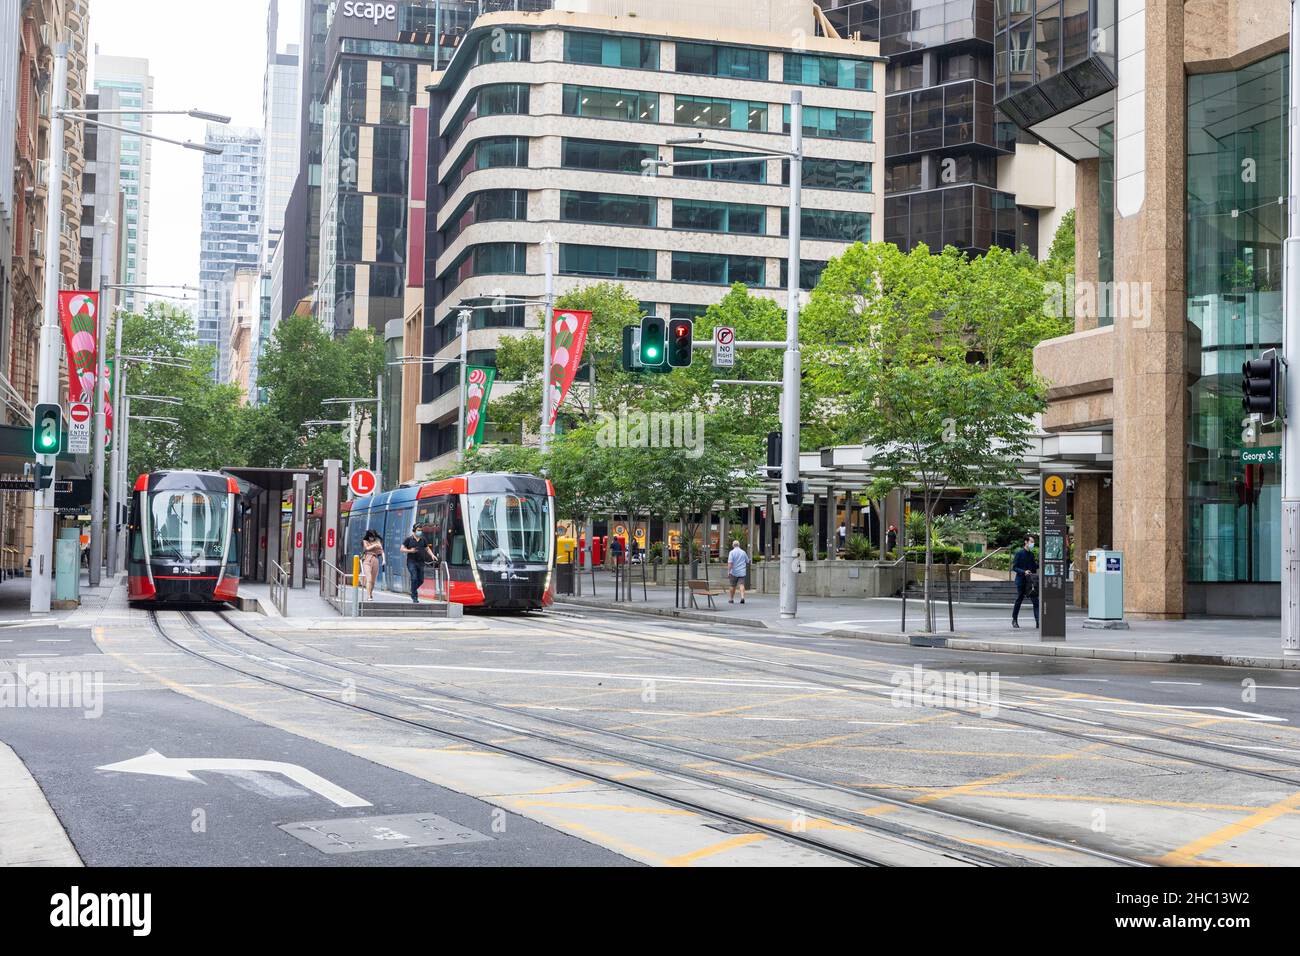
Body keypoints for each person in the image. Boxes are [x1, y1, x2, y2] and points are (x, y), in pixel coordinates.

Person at [401, 523, 434, 604]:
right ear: (414, 531)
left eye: (421, 530)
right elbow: (401, 549)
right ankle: (414, 596)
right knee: (414, 577)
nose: (420, 532)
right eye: (418, 530)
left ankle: (412, 590)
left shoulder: (423, 539)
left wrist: (432, 555)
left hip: (421, 562)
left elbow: (427, 548)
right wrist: (410, 551)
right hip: (411, 562)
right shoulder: (408, 539)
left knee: (421, 580)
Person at [1011, 534, 1040, 629]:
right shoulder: (1019, 553)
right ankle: (1014, 620)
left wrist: (1041, 563)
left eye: (1033, 542)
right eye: (1031, 541)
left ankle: (1038, 621)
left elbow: (1034, 568)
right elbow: (1014, 567)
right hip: (1021, 581)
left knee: (1036, 601)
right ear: (1026, 542)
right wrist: (1024, 572)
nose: (1033, 543)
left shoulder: (1031, 555)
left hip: (1030, 582)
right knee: (1019, 600)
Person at [361, 529, 384, 600]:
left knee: (373, 581)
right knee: (369, 579)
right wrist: (375, 546)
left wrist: (384, 560)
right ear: (368, 536)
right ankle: (368, 596)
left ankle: (370, 593)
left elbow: (381, 550)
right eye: (370, 536)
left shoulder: (377, 541)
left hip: (375, 560)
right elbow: (367, 548)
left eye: (373, 537)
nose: (372, 538)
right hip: (367, 560)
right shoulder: (365, 541)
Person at [727, 539, 750, 604]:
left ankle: (731, 599)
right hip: (742, 571)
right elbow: (747, 561)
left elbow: (730, 563)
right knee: (741, 585)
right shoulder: (743, 552)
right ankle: (742, 597)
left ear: (733, 545)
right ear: (739, 545)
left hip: (733, 572)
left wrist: (728, 571)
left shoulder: (731, 552)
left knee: (732, 585)